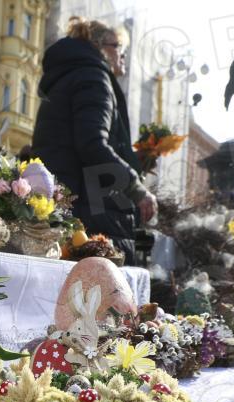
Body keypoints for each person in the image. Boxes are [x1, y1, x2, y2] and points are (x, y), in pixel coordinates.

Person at [32, 17, 157, 265]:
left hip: (67, 204)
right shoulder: (93, 78)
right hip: (89, 212)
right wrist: (136, 188)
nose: (123, 56)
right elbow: (92, 144)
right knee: (97, 285)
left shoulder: (68, 76)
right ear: (101, 47)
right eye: (119, 47)